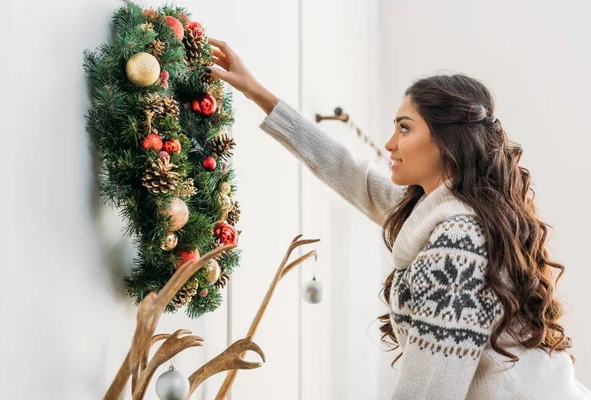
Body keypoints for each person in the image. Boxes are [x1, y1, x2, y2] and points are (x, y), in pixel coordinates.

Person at [204, 37, 591, 400]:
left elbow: (428, 392)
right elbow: (350, 173)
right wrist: (255, 91)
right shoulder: (444, 213)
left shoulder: (458, 242)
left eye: (404, 128)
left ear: (446, 142)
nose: (389, 143)